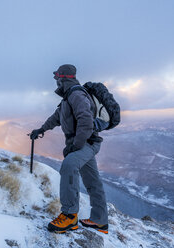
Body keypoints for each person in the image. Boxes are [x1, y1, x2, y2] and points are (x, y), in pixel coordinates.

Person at [30, 64, 109, 234]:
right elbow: (56, 117)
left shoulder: (77, 94)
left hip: (87, 142)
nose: (56, 81)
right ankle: (100, 221)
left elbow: (86, 122)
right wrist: (41, 130)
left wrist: (75, 146)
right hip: (85, 142)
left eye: (57, 78)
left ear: (63, 78)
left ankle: (69, 215)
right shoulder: (68, 97)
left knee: (69, 165)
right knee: (92, 182)